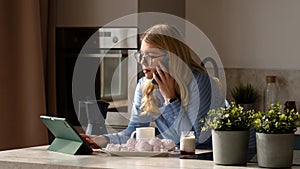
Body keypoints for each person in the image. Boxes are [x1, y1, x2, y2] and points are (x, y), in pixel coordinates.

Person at [83, 24, 225, 149]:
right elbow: (134, 132)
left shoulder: (200, 82)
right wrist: (102, 140)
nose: (143, 62)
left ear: (173, 57)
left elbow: (197, 140)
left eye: (150, 56)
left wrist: (170, 99)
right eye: (141, 55)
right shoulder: (145, 84)